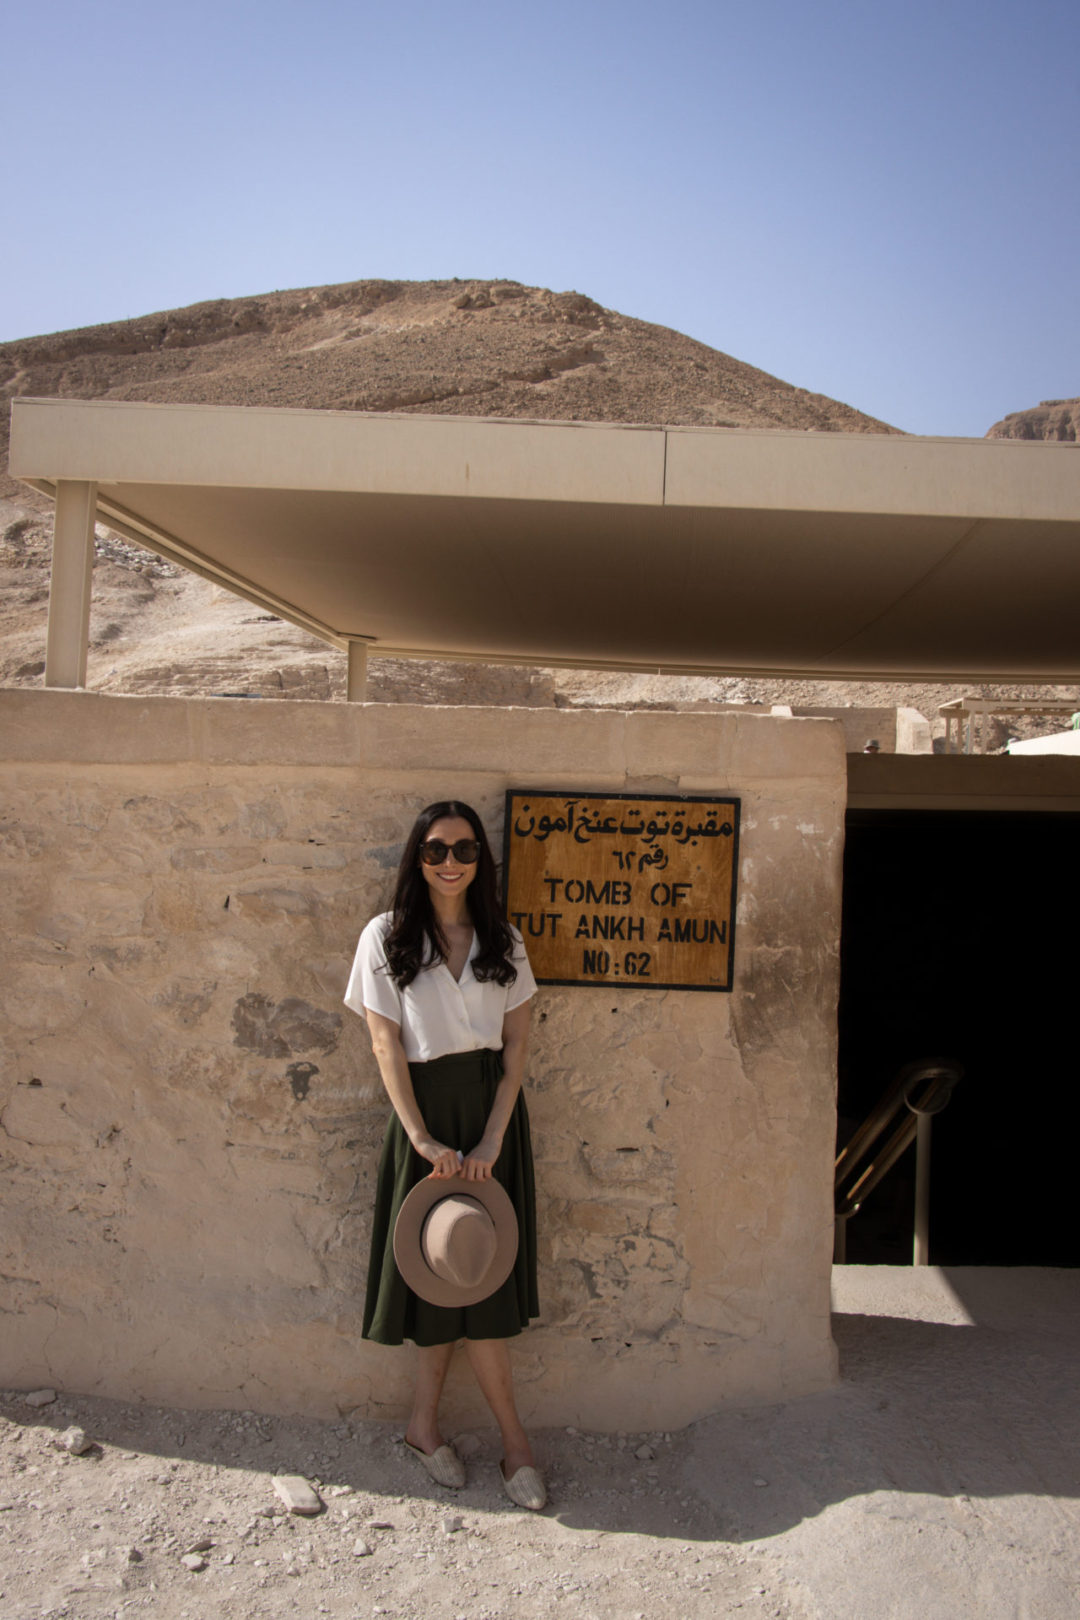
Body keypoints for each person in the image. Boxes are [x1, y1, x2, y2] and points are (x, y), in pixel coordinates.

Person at [344, 800, 545, 1510]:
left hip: (492, 1112)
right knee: (441, 1271)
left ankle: (462, 1434)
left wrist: (492, 1136)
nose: (450, 861)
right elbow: (383, 1045)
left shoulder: (506, 941)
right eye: (435, 849)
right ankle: (471, 1437)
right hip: (422, 1114)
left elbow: (517, 1046)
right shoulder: (386, 936)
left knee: (476, 1270)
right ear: (417, 857)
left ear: (479, 860)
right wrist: (423, 1138)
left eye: (463, 849)